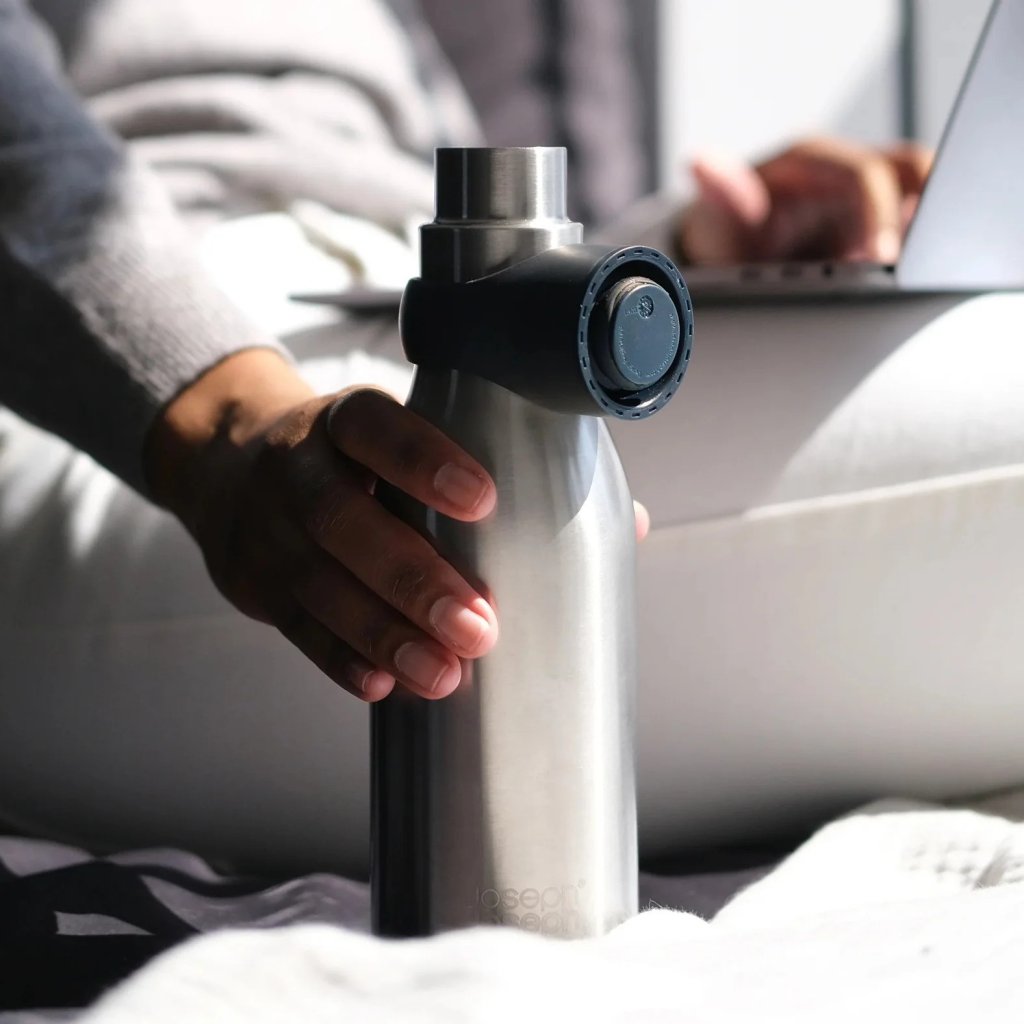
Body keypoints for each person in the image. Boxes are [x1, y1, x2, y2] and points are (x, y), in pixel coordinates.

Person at [0, 0, 932, 868]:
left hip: (411, 299)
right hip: (122, 360)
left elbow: (460, 224)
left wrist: (691, 252)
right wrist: (219, 411)